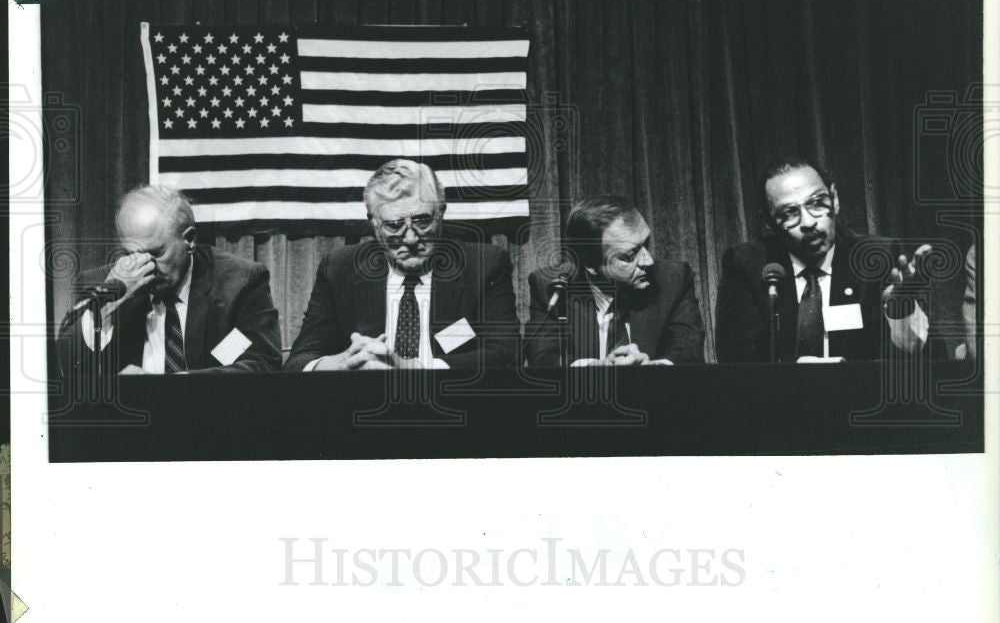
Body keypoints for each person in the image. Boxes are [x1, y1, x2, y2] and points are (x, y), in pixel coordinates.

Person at [284, 159, 519, 371]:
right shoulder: (339, 268)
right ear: (373, 224)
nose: (410, 239)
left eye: (423, 221)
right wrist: (341, 363)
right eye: (394, 225)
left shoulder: (484, 265)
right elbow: (299, 361)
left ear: (441, 214)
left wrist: (416, 369)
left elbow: (506, 354)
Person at [715, 157, 932, 363]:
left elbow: (926, 358)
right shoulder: (747, 264)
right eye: (789, 213)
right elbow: (736, 359)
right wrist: (798, 373)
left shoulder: (878, 257)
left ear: (835, 199)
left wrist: (900, 312)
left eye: (817, 203)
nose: (808, 222)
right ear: (769, 222)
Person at [59, 185, 282, 375]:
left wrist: (167, 388)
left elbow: (263, 363)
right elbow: (65, 369)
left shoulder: (238, 282)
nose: (142, 267)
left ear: (190, 240)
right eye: (129, 254)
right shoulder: (102, 284)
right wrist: (107, 308)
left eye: (156, 254)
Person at [524, 195, 705, 367]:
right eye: (629, 256)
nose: (647, 261)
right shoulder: (551, 288)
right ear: (590, 264)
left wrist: (652, 369)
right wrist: (599, 368)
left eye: (646, 244)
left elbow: (687, 352)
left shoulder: (673, 279)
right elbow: (544, 360)